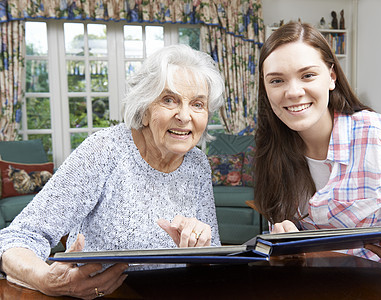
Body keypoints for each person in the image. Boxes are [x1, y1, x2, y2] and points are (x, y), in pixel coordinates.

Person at [0, 44, 225, 298]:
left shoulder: (198, 164)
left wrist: (200, 247)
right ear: (145, 109)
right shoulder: (105, 150)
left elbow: (213, 257)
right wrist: (45, 279)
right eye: (169, 100)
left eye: (197, 104)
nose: (184, 116)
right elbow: (16, 238)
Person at [254, 21, 381, 283]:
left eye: (308, 75)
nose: (293, 92)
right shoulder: (272, 151)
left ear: (332, 77)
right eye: (277, 80)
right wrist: (284, 239)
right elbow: (288, 241)